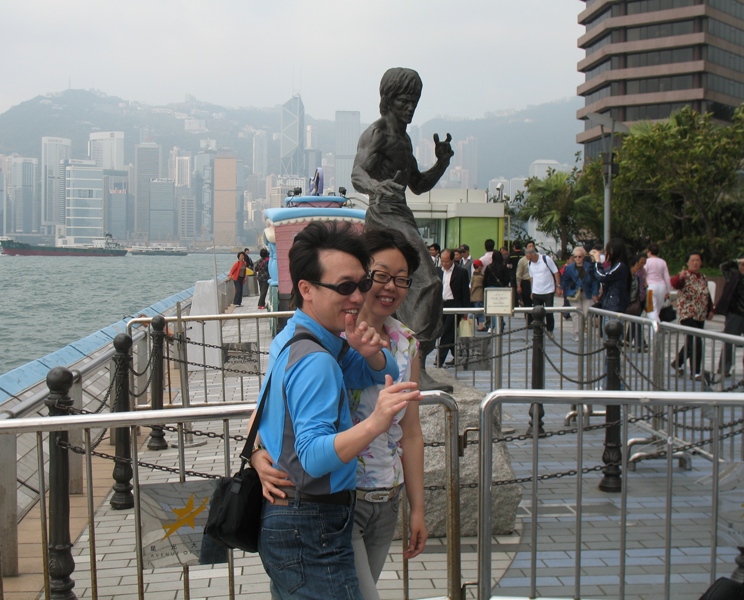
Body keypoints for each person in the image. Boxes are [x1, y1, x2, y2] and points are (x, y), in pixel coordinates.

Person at [252, 221, 418, 599]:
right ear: (306, 289)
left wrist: (370, 352)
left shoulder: (297, 338)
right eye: (344, 287)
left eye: (361, 285)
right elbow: (312, 456)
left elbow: (386, 370)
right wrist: (376, 422)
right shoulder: (318, 362)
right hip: (311, 519)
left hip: (291, 515)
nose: (358, 297)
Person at [352, 67, 454, 375]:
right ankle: (414, 364)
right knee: (427, 281)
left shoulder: (405, 139)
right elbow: (358, 174)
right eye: (404, 101)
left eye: (414, 101)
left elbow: (419, 184)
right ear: (388, 100)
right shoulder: (377, 133)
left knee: (416, 285)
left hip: (401, 213)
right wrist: (376, 186)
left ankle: (412, 360)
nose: (410, 108)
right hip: (384, 216)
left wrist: (442, 162)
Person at [670, 251, 714, 380]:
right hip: (687, 314)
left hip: (700, 315)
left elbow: (706, 294)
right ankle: (696, 372)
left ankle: (677, 363)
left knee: (691, 342)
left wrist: (711, 310)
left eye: (698, 260)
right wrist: (680, 276)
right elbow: (675, 283)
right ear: (688, 262)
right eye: (692, 260)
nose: (695, 263)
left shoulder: (703, 277)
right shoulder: (684, 275)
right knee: (696, 342)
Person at [437, 248, 470, 367]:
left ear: (452, 260)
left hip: (455, 305)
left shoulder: (461, 272)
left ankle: (439, 360)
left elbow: (465, 292)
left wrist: (466, 310)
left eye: (446, 261)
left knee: (447, 331)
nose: (444, 264)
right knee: (447, 333)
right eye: (442, 261)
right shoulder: (438, 272)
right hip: (441, 305)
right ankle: (459, 357)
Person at [561, 247, 599, 341]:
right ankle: (577, 333)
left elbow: (594, 281)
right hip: (574, 293)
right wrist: (563, 289)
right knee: (576, 314)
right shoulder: (569, 268)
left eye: (580, 257)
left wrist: (595, 293)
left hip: (587, 293)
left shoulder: (589, 266)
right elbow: (565, 279)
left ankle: (585, 331)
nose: (577, 258)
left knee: (586, 313)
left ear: (583, 257)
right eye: (575, 257)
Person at [716, 256, 744, 377]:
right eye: (742, 265)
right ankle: (724, 368)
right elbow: (723, 266)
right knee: (729, 341)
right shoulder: (733, 276)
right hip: (735, 313)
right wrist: (737, 261)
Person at [526, 246, 562, 337]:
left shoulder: (546, 259)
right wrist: (532, 290)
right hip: (536, 291)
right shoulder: (529, 263)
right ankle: (539, 330)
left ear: (534, 255)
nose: (530, 260)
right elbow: (531, 277)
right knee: (537, 313)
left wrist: (558, 286)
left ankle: (550, 330)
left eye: (531, 258)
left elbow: (556, 272)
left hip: (548, 290)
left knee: (549, 311)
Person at [590, 239, 631, 315]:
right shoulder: (612, 267)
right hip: (607, 305)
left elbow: (602, 277)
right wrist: (593, 262)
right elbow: (595, 276)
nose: (605, 254)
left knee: (612, 326)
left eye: (607, 251)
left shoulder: (620, 266)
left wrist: (598, 262)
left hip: (615, 307)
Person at [645, 242, 672, 322]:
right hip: (662, 287)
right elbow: (667, 277)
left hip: (650, 288)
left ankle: (655, 329)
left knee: (651, 310)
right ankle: (653, 331)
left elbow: (643, 274)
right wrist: (668, 290)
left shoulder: (647, 261)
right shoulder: (663, 262)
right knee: (657, 310)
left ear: (649, 252)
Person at [516, 241, 534, 313]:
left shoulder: (538, 259)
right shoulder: (522, 260)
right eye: (529, 246)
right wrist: (519, 285)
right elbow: (519, 274)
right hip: (526, 283)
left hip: (536, 283)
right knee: (527, 304)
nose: (531, 247)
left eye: (532, 246)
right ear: (526, 248)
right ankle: (528, 321)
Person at [470, 259, 486, 331]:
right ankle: (469, 319)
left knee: (479, 311)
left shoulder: (473, 275)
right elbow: (477, 286)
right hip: (478, 296)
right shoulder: (480, 277)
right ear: (479, 267)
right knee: (479, 311)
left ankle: (480, 325)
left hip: (474, 296)